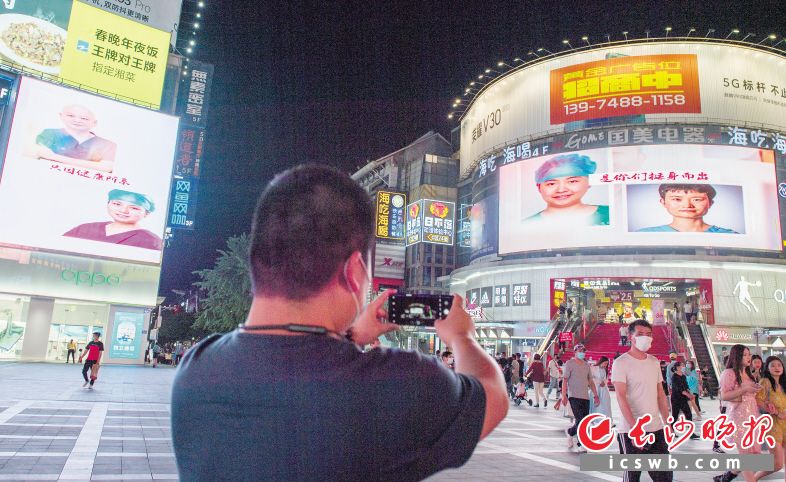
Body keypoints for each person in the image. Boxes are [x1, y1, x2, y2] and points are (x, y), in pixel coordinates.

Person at [170, 165, 508, 480]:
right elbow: (493, 396)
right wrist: (462, 337)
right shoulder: (400, 383)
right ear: (354, 271)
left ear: (257, 259)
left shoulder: (196, 368)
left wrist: (352, 336)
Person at [612, 320, 672, 482]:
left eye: (648, 334)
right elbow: (621, 397)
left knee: (664, 476)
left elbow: (660, 394)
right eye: (640, 334)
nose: (645, 338)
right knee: (632, 477)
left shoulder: (654, 362)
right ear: (631, 337)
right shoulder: (621, 363)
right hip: (630, 430)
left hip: (656, 429)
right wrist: (635, 428)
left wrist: (668, 423)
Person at [713, 344, 763, 482]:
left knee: (753, 455)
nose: (749, 357)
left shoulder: (747, 373)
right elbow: (724, 396)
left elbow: (750, 395)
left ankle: (727, 476)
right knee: (745, 456)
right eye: (745, 355)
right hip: (738, 418)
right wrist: (745, 389)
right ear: (737, 356)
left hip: (752, 418)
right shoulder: (728, 373)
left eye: (749, 354)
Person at [524, 154, 609, 226]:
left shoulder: (610, 214)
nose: (561, 190)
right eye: (551, 184)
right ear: (539, 187)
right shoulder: (528, 224)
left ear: (589, 182)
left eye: (572, 181)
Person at [63, 189, 162, 250]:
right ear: (108, 204)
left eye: (134, 208)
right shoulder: (85, 228)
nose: (123, 210)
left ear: (147, 214)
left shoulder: (152, 241)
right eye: (117, 204)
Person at [33, 104, 117, 172]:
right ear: (61, 116)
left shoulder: (108, 145)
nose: (77, 120)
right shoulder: (49, 133)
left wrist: (54, 157)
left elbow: (106, 168)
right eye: (71, 116)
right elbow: (41, 153)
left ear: (94, 123)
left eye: (84, 118)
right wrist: (93, 165)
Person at [637, 184, 738, 233]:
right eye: (677, 199)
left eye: (697, 199)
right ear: (663, 202)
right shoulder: (644, 234)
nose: (687, 205)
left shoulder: (729, 235)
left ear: (710, 203)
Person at [561, 344, 600, 452]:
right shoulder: (570, 364)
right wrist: (564, 395)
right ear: (575, 351)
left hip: (585, 397)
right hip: (573, 396)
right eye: (579, 350)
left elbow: (591, 382)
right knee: (580, 419)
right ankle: (581, 443)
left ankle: (570, 432)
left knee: (584, 421)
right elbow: (564, 380)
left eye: (583, 350)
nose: (582, 352)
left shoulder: (587, 365)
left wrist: (596, 395)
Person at [753, 356, 786, 481]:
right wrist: (774, 411)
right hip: (773, 426)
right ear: (767, 368)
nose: (777, 367)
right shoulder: (765, 382)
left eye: (779, 365)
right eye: (773, 365)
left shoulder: (784, 383)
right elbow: (757, 400)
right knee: (777, 464)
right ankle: (753, 479)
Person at [670, 362, 700, 439]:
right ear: (677, 367)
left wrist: (690, 393)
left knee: (689, 415)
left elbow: (686, 386)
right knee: (675, 416)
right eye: (682, 366)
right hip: (676, 399)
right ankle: (671, 431)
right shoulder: (674, 377)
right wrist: (689, 395)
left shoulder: (683, 376)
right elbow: (679, 389)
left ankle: (691, 433)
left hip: (683, 399)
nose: (683, 367)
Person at [589, 356, 612, 423]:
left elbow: (606, 379)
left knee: (605, 404)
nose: (606, 365)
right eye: (605, 363)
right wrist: (599, 382)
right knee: (595, 404)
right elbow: (591, 378)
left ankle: (605, 419)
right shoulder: (593, 368)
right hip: (595, 388)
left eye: (607, 364)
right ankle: (595, 419)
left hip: (603, 389)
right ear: (601, 362)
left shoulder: (605, 370)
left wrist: (604, 382)